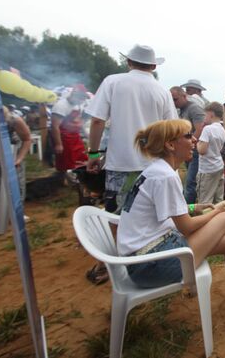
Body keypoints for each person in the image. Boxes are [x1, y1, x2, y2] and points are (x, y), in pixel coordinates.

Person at [116, 119, 225, 314]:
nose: (194, 140)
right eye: (187, 136)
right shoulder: (165, 175)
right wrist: (216, 211)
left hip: (147, 257)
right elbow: (186, 227)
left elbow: (164, 210)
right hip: (150, 265)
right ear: (170, 144)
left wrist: (194, 207)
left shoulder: (159, 170)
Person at [85, 44, 177, 285]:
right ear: (154, 66)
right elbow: (172, 130)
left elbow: (97, 121)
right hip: (154, 165)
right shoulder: (161, 90)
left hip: (121, 163)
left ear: (128, 62)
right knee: (152, 216)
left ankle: (108, 264)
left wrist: (93, 155)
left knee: (116, 214)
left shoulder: (113, 82)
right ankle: (148, 259)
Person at [0, 106, 32, 215]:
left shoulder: (15, 120)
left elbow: (27, 140)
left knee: (15, 182)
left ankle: (17, 212)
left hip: (13, 152)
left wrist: (19, 159)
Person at [170, 86, 206, 204]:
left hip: (195, 150)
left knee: (190, 182)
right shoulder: (181, 110)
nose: (173, 102)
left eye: (175, 99)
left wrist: (189, 144)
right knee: (190, 181)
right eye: (171, 100)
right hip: (189, 149)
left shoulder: (194, 108)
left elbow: (200, 129)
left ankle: (186, 212)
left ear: (184, 96)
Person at [51, 84, 89, 172]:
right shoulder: (61, 105)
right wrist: (58, 144)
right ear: (73, 95)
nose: (82, 100)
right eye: (80, 97)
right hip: (63, 138)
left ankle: (78, 177)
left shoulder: (79, 104)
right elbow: (55, 126)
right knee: (67, 161)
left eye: (83, 98)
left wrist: (86, 134)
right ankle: (66, 178)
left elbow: (79, 121)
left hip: (75, 136)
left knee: (81, 158)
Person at [196, 102, 225, 204]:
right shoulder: (222, 129)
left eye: (205, 115)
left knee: (205, 200)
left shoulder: (207, 129)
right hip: (218, 165)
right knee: (218, 197)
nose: (204, 118)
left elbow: (202, 151)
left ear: (211, 115)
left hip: (207, 169)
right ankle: (221, 216)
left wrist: (197, 143)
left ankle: (206, 219)